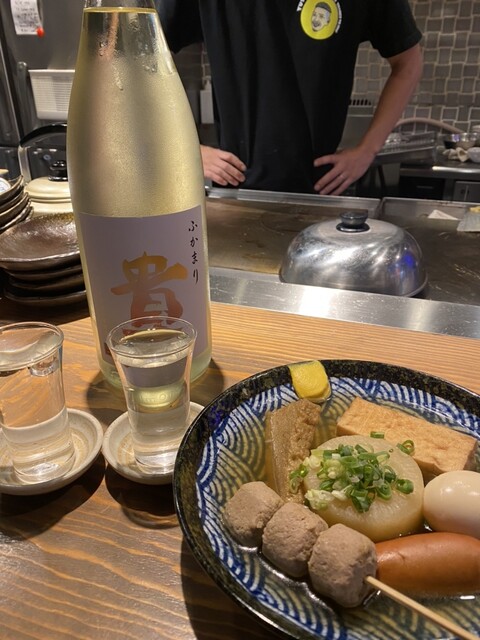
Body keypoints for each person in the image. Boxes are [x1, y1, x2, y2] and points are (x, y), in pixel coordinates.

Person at [156, 0, 423, 196]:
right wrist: (184, 151)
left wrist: (367, 151)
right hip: (235, 192)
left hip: (319, 193)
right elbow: (138, 58)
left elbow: (408, 63)